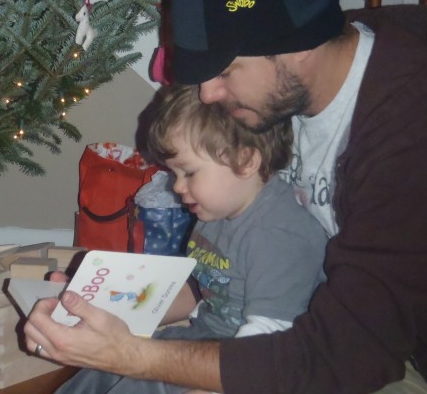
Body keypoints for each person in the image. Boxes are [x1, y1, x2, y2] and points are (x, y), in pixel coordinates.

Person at [24, 0, 427, 393]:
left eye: (226, 71)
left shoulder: (425, 132)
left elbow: (343, 359)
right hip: (321, 336)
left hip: (420, 365)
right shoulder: (291, 85)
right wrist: (116, 301)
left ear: (296, 47)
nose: (210, 93)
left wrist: (134, 355)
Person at [52, 83, 328, 393]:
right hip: (203, 339)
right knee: (101, 368)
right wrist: (104, 309)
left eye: (189, 173)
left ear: (246, 161)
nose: (177, 187)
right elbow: (198, 285)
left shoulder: (281, 235)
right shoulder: (214, 211)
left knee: (139, 385)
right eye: (174, 174)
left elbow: (269, 344)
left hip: (242, 362)